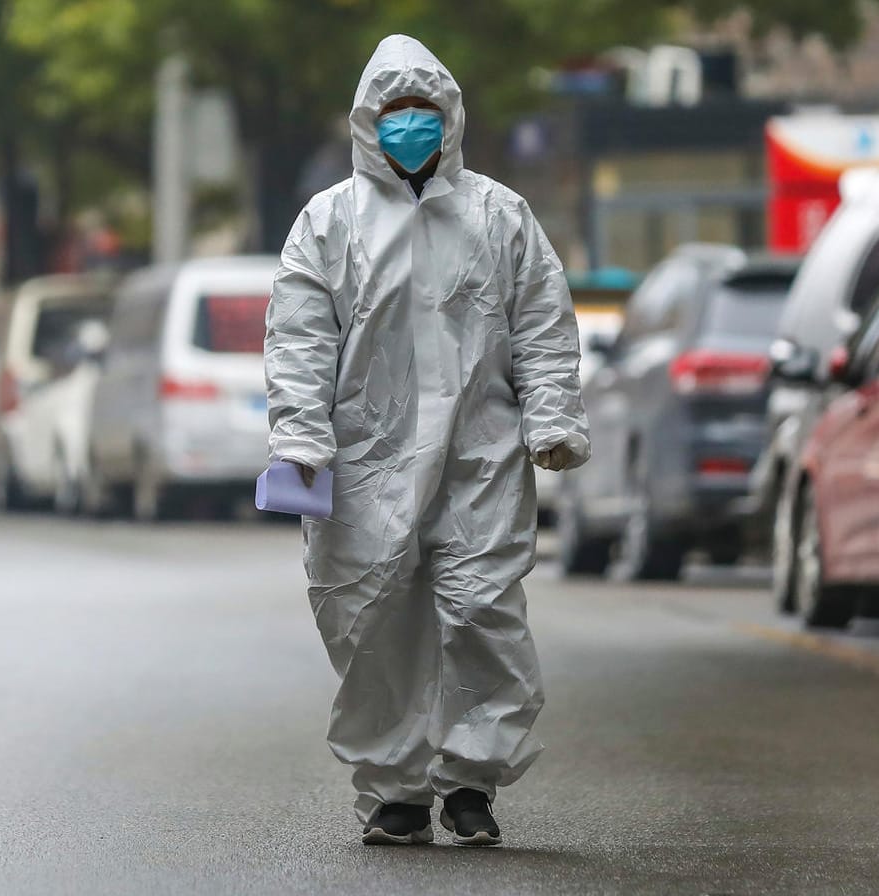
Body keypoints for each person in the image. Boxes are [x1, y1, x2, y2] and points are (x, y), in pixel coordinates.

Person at [265, 34, 589, 848]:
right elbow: (299, 337)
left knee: (481, 612)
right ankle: (396, 789)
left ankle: (471, 781)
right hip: (366, 457)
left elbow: (541, 326)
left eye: (423, 112)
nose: (410, 126)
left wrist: (549, 418)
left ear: (449, 119)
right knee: (371, 620)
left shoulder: (498, 214)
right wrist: (301, 435)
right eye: (395, 113)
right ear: (367, 123)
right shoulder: (330, 221)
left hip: (479, 455)